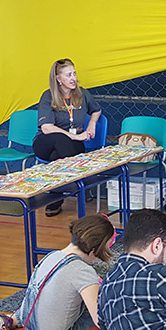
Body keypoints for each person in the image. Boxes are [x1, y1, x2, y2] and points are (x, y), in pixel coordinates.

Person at [0, 214, 114, 330]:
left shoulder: (51, 256)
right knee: (104, 310)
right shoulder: (83, 271)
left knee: (43, 296)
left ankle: (12, 319)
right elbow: (99, 320)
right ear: (94, 250)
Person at [33, 58, 102, 216]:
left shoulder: (82, 93)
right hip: (47, 142)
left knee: (57, 157)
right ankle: (81, 181)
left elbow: (96, 110)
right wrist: (76, 137)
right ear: (58, 79)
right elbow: (46, 127)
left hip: (70, 148)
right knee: (60, 138)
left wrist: (92, 124)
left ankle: (55, 198)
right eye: (68, 75)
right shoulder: (48, 96)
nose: (73, 78)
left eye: (74, 74)